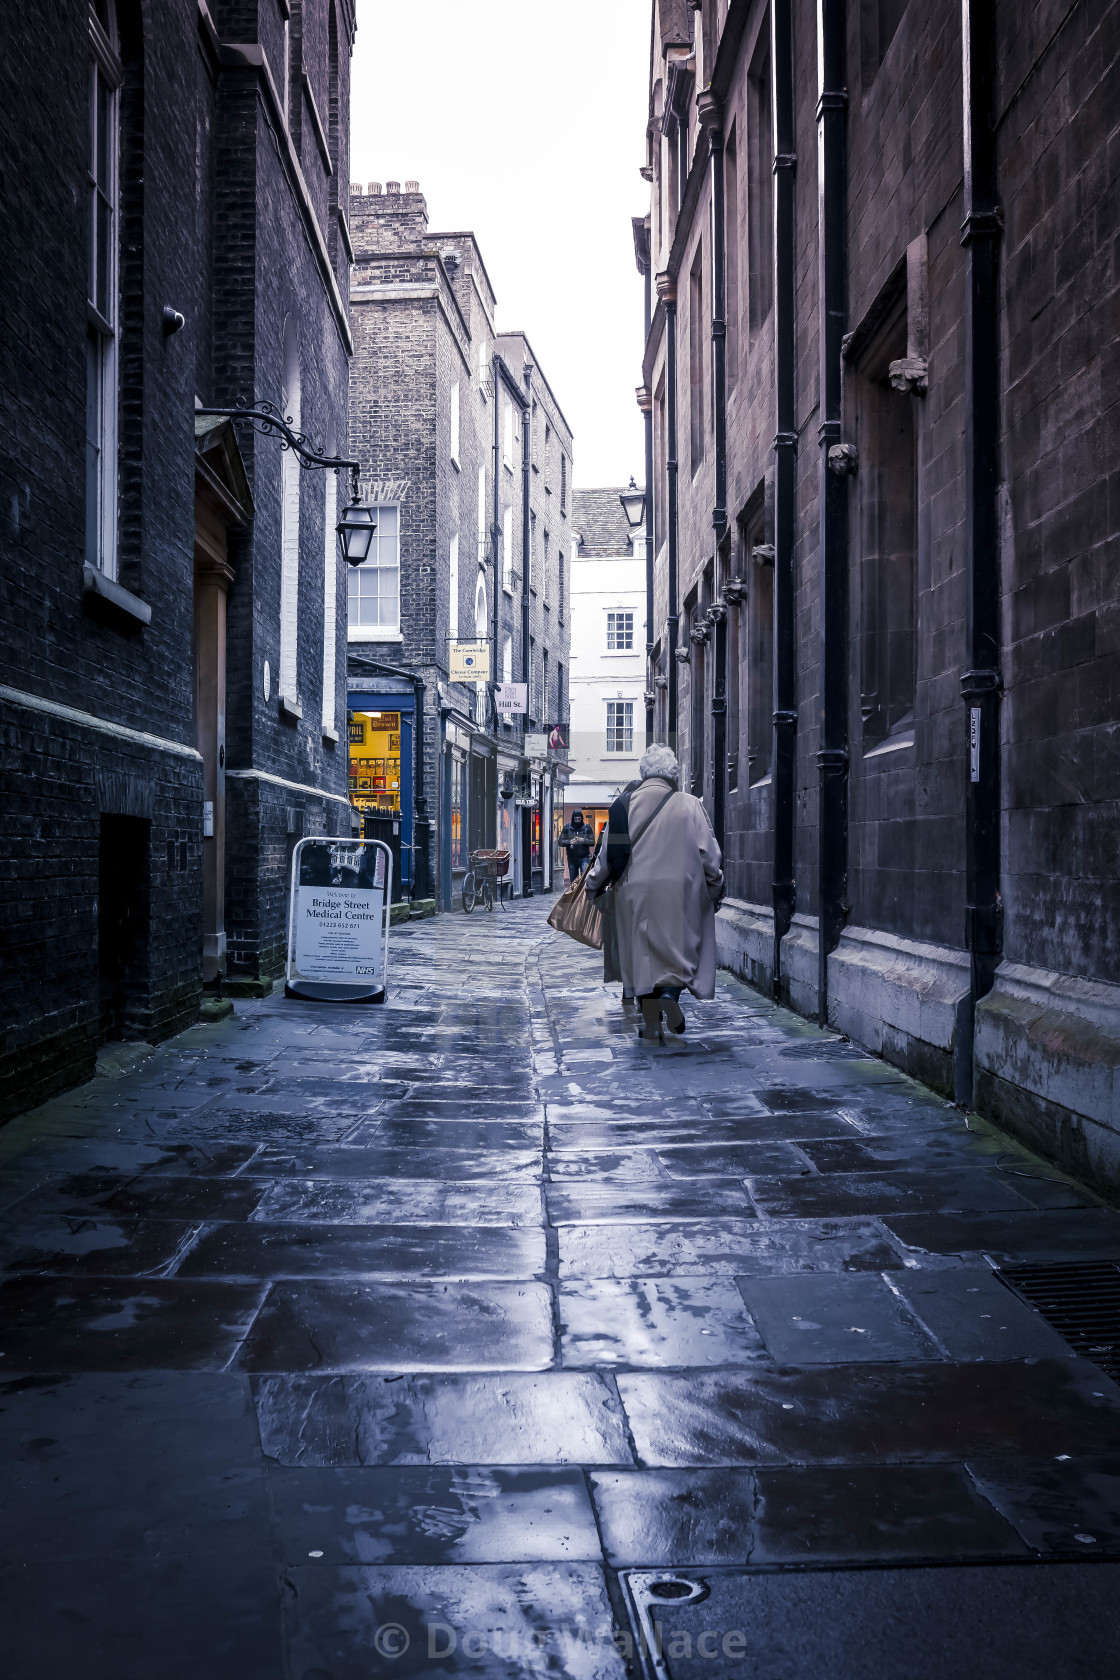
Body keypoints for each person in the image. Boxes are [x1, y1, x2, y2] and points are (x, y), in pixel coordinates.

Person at [585, 744, 724, 1042]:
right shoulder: (690, 804)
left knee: (642, 957)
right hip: (681, 893)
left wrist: (593, 886)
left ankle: (650, 1024)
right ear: (673, 774)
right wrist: (713, 887)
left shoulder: (623, 805)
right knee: (682, 946)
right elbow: (709, 856)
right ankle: (671, 996)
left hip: (633, 895)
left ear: (644, 772)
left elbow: (608, 854)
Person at [585, 780, 640, 1005]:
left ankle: (629, 989)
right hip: (661, 891)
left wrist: (592, 888)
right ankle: (658, 994)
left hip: (625, 888)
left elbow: (605, 857)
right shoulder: (658, 815)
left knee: (626, 941)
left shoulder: (617, 815)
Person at [558, 809, 594, 883]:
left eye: (579, 819)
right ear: (573, 819)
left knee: (585, 878)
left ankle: (584, 893)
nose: (577, 821)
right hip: (572, 858)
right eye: (575, 819)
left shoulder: (587, 827)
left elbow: (593, 842)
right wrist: (569, 842)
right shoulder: (567, 827)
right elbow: (560, 842)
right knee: (573, 881)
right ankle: (574, 894)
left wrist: (583, 840)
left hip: (584, 857)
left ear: (581, 818)